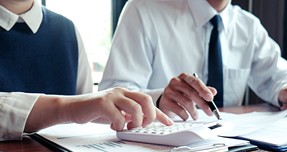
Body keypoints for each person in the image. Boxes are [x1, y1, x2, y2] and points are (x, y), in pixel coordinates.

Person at [99, 0, 287, 121]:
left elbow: (277, 75)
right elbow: (113, 94)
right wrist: (157, 99)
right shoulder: (143, 10)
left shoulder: (248, 25)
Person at [0, 0, 172, 141]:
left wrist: (112, 110)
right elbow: (77, 106)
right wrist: (67, 108)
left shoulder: (66, 30)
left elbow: (84, 106)